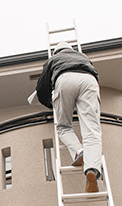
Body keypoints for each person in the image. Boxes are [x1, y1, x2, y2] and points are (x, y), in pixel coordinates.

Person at [35, 41, 102, 193]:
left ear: (56, 52)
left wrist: (52, 104)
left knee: (63, 126)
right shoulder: (83, 57)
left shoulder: (53, 60)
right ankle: (92, 169)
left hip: (64, 79)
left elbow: (41, 87)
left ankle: (79, 151)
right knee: (92, 130)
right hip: (89, 80)